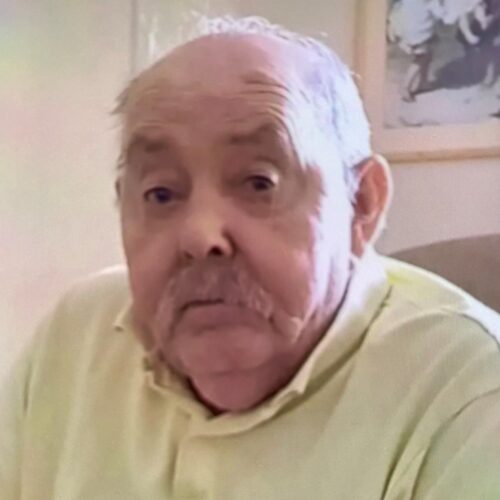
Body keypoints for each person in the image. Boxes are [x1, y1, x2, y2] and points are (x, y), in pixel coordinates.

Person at [2, 15, 500, 500]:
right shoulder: (74, 338)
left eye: (259, 183)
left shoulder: (470, 393)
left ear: (362, 205)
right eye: (160, 194)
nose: (201, 236)